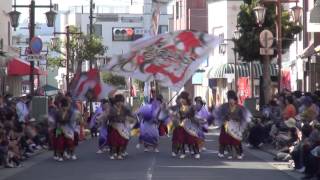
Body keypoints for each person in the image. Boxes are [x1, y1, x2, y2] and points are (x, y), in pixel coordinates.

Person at [214, 90, 251, 160]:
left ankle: (239, 152)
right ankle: (227, 153)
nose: (230, 101)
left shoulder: (240, 108)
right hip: (226, 125)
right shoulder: (224, 106)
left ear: (235, 100)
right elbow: (219, 114)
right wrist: (224, 118)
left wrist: (238, 121)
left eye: (232, 99)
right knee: (225, 140)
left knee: (236, 141)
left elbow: (244, 117)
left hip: (236, 126)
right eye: (229, 99)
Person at [107, 94, 135, 160]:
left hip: (122, 126)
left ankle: (119, 154)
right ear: (115, 102)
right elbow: (109, 117)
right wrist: (115, 114)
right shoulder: (112, 108)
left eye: (121, 101)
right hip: (114, 126)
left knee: (121, 141)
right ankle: (113, 153)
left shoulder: (124, 108)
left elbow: (130, 113)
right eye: (118, 101)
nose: (120, 103)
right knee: (114, 141)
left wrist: (133, 117)